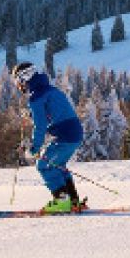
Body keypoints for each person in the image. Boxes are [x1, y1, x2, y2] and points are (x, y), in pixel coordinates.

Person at [12, 62, 87, 214]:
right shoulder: (49, 89)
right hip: (74, 133)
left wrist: (34, 149)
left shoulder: (36, 97)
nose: (19, 86)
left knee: (43, 165)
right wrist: (32, 115)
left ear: (25, 77)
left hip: (66, 135)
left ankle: (62, 201)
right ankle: (73, 201)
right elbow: (54, 112)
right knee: (58, 166)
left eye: (18, 81)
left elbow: (40, 126)